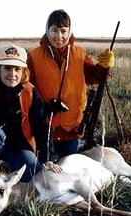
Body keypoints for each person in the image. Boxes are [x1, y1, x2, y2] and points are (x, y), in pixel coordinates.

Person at [0, 44, 62, 182]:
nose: (12, 74)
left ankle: (10, 168)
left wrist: (48, 158)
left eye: (17, 69)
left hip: (19, 147)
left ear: (24, 71)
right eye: (7, 68)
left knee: (35, 176)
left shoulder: (30, 92)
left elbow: (42, 127)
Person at [27, 9, 115, 158]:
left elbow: (93, 78)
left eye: (63, 31)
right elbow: (28, 88)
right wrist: (44, 106)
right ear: (47, 30)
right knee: (46, 172)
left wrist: (104, 66)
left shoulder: (79, 53)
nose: (59, 36)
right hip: (45, 128)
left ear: (69, 31)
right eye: (54, 30)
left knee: (68, 171)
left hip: (72, 128)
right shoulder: (34, 56)